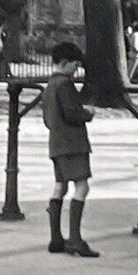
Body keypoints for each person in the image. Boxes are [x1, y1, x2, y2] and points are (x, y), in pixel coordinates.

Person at [42, 40, 98, 257]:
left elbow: (48, 119)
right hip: (73, 144)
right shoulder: (65, 85)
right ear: (64, 63)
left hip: (56, 143)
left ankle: (56, 238)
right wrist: (87, 113)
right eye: (75, 66)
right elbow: (72, 113)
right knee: (82, 188)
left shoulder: (49, 86)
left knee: (60, 187)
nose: (76, 71)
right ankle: (75, 239)